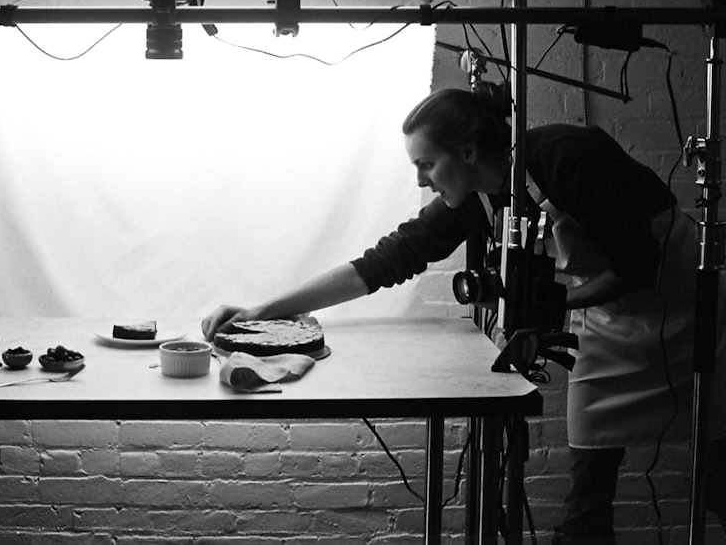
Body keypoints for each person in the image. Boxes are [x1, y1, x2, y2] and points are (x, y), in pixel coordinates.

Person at [201, 85, 726, 544]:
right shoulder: (478, 196)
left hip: (682, 299)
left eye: (426, 164)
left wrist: (551, 303)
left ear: (469, 151)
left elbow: (640, 264)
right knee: (590, 476)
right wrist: (260, 309)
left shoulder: (569, 155)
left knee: (717, 461)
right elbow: (387, 260)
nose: (422, 181)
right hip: (611, 323)